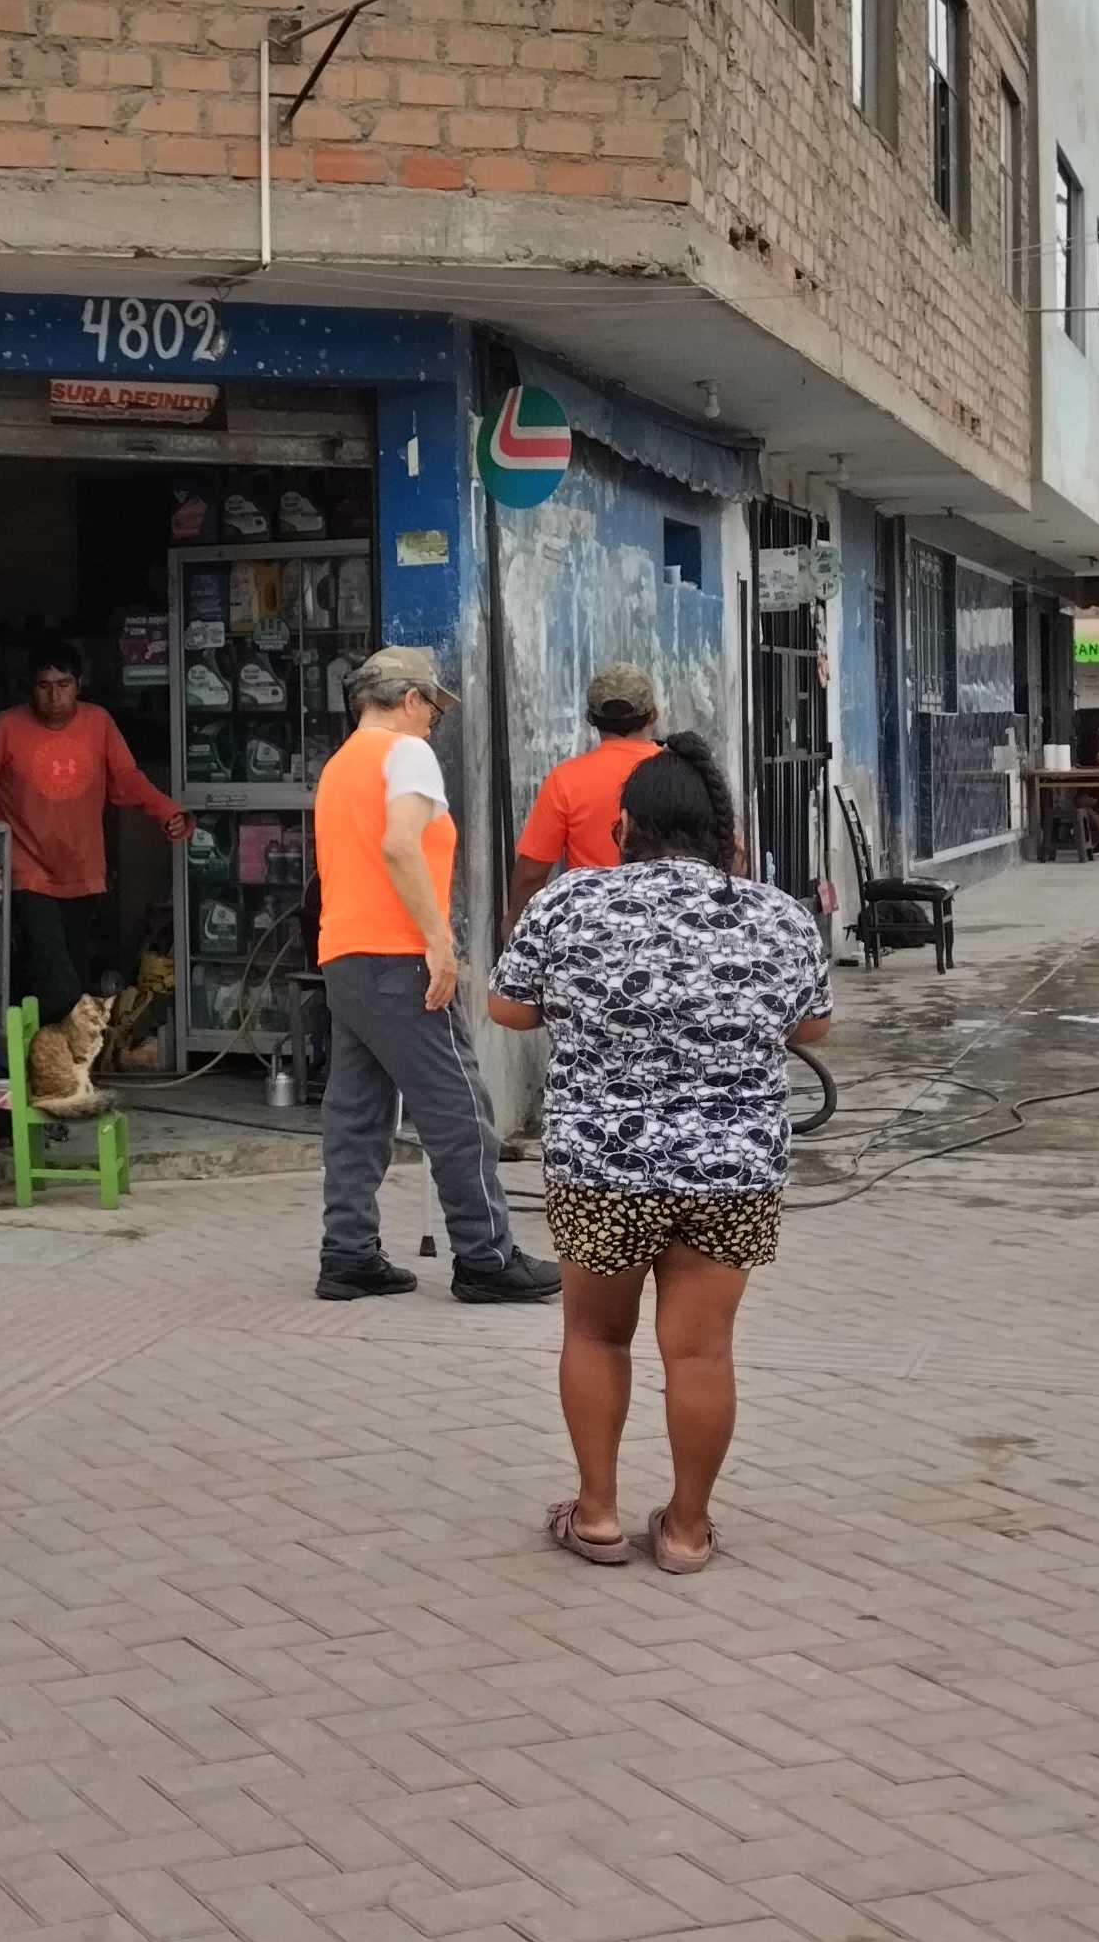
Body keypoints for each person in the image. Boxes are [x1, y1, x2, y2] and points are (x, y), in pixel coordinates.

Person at [487, 731, 832, 1574]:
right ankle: (686, 1530)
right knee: (701, 1351)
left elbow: (509, 1010)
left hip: (603, 1165)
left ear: (624, 828)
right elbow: (813, 1026)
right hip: (732, 1170)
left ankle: (598, 1515)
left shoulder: (570, 902)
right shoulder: (777, 915)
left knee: (595, 1335)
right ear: (725, 834)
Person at [312, 647, 559, 1306]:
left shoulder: (339, 767)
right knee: (458, 1109)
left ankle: (349, 1253)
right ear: (411, 699)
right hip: (400, 957)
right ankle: (486, 1256)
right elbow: (399, 845)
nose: (433, 722)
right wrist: (439, 941)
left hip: (344, 955)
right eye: (433, 709)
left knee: (356, 1113)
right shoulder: (407, 754)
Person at [0, 634, 190, 1031]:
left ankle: (49, 1051)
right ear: (30, 688)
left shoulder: (98, 723)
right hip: (25, 868)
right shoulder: (5, 728)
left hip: (81, 869)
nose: (54, 696)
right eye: (44, 686)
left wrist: (167, 811)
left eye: (63, 685)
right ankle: (69, 1046)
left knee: (68, 963)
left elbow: (126, 779)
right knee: (56, 972)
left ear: (79, 683)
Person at [504, 661, 660, 932]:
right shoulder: (682, 772)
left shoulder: (565, 780)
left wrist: (514, 923)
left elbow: (532, 874)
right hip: (665, 926)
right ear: (653, 715)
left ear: (591, 719)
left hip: (590, 933)